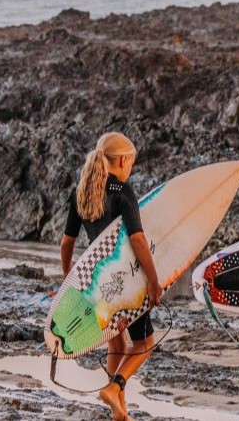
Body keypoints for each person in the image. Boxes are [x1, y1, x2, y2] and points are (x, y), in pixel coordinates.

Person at [57, 132, 162, 421]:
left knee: (116, 343)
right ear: (121, 160)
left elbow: (66, 243)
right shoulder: (122, 191)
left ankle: (118, 410)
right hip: (127, 283)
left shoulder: (82, 191)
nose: (130, 170)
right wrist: (153, 281)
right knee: (145, 343)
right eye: (131, 163)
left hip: (98, 284)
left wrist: (70, 280)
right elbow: (138, 241)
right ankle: (115, 388)